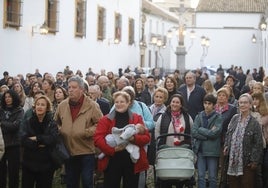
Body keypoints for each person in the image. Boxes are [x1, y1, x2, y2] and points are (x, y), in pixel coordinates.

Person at [54, 75, 103, 188]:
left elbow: (100, 124)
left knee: (87, 182)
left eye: (74, 87)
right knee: (71, 182)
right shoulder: (62, 105)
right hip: (69, 150)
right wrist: (62, 130)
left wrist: (85, 132)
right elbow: (55, 123)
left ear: (82, 89)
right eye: (69, 87)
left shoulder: (92, 105)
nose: (70, 90)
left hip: (86, 150)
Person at [94, 91, 150, 188]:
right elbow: (98, 139)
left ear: (128, 103)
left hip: (131, 162)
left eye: (122, 102)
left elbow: (146, 138)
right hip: (112, 161)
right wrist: (112, 150)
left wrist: (133, 138)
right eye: (116, 102)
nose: (119, 104)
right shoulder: (105, 119)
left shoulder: (137, 118)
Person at [223, 93, 263, 188]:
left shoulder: (254, 123)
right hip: (233, 160)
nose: (242, 105)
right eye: (240, 103)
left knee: (246, 184)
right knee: (233, 184)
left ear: (250, 105)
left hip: (247, 162)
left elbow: (258, 143)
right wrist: (226, 146)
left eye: (245, 103)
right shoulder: (234, 118)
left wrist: (254, 160)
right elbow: (228, 134)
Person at [154, 93, 193, 187]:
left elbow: (192, 131)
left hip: (181, 151)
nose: (175, 104)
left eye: (177, 102)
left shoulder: (187, 117)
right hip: (166, 150)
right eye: (173, 102)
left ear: (181, 105)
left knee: (179, 176)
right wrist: (160, 143)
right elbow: (157, 131)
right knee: (167, 177)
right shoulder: (163, 116)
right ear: (170, 103)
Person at [20, 95, 58, 188]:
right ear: (34, 106)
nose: (40, 107)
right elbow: (22, 139)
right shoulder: (28, 122)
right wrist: (40, 143)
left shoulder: (51, 123)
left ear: (47, 108)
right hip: (29, 163)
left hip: (46, 164)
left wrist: (37, 138)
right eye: (38, 104)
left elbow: (52, 139)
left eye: (43, 105)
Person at [192, 94, 223, 188]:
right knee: (200, 176)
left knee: (212, 177)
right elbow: (194, 132)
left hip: (212, 151)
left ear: (214, 105)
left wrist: (200, 129)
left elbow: (215, 134)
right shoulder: (199, 116)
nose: (206, 105)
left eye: (209, 103)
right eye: (205, 103)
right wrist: (207, 134)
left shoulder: (218, 117)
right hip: (201, 150)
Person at [0, 90, 24, 188]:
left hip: (14, 144)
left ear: (14, 97)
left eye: (9, 97)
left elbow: (16, 126)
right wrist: (8, 125)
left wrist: (2, 123)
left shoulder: (19, 110)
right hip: (1, 144)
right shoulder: (1, 110)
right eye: (5, 97)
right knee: (1, 172)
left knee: (13, 172)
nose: (7, 99)